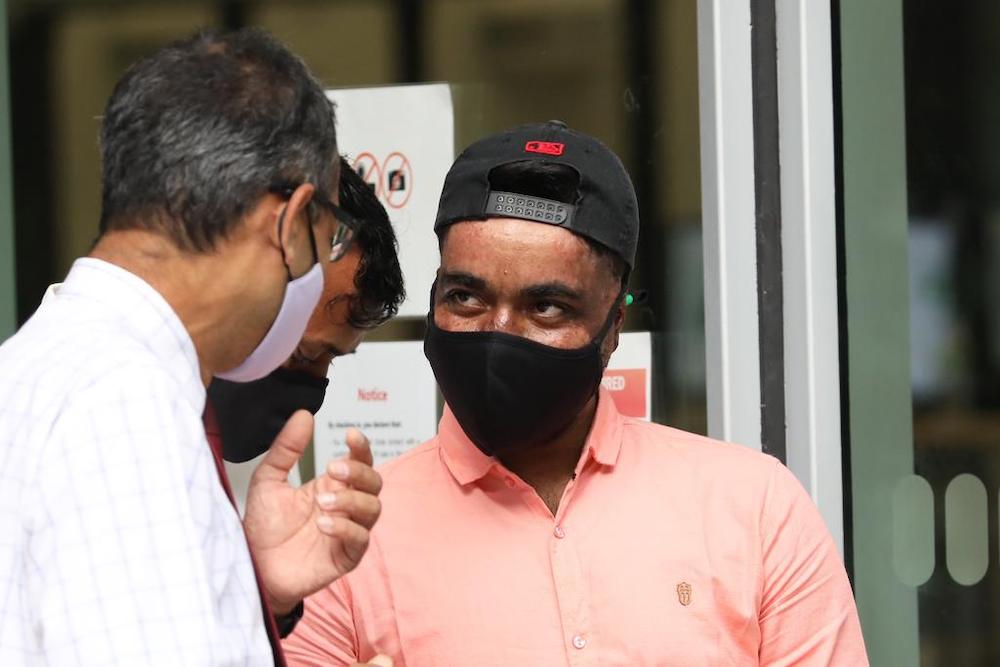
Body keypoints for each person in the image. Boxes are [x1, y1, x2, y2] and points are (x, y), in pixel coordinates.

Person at [283, 121, 869, 665]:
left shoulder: (754, 509)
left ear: (613, 326)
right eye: (467, 297)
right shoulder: (350, 544)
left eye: (546, 307)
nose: (499, 333)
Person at [0, 29, 383, 665]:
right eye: (328, 231)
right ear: (290, 225)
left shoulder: (39, 365)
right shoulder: (124, 404)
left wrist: (249, 582)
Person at [209, 156, 405, 498]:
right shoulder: (106, 418)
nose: (308, 397)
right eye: (303, 354)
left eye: (330, 358)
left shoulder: (266, 468)